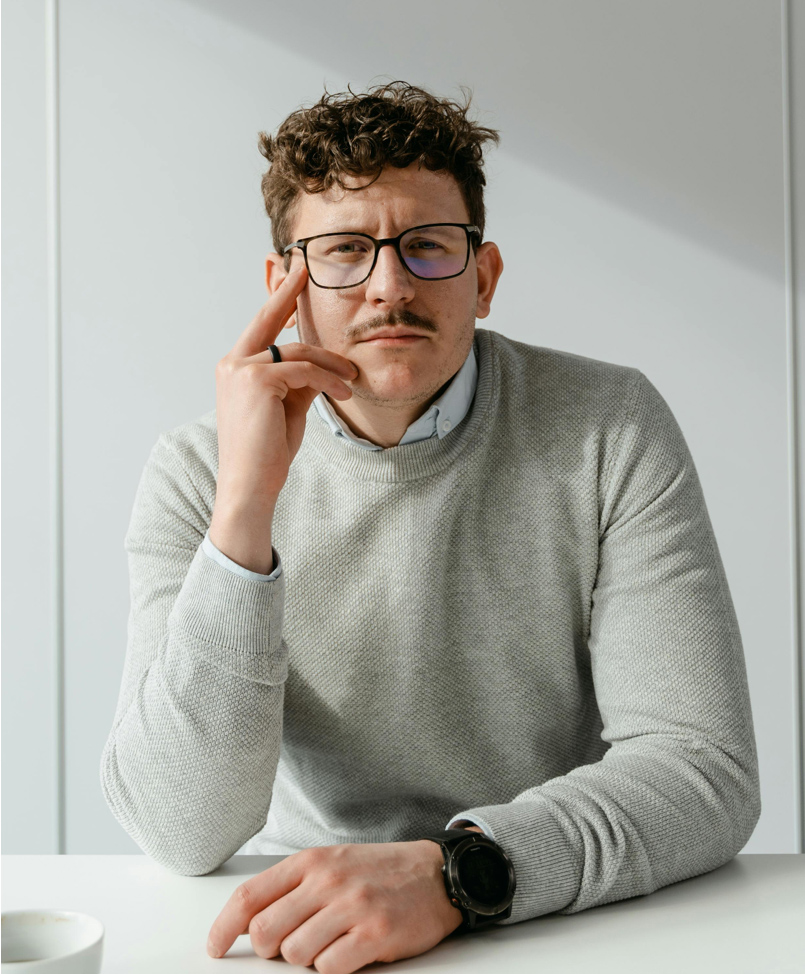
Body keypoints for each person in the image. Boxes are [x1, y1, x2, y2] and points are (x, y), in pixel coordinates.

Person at [100, 81, 761, 972]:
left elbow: (702, 768)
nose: (389, 286)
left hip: (544, 917)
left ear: (482, 279)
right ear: (284, 289)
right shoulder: (197, 473)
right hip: (298, 929)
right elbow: (180, 828)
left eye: (427, 246)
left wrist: (457, 874)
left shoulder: (609, 427)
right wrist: (245, 509)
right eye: (343, 250)